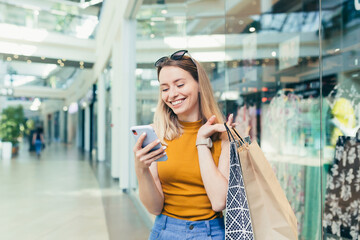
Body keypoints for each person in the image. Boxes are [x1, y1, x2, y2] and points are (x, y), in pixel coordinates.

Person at [133, 50, 235, 240]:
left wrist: (202, 142)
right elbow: (154, 207)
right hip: (165, 231)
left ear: (199, 85)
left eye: (180, 84)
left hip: (211, 233)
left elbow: (219, 201)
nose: (172, 94)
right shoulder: (158, 134)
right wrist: (141, 170)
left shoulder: (223, 135)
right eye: (164, 88)